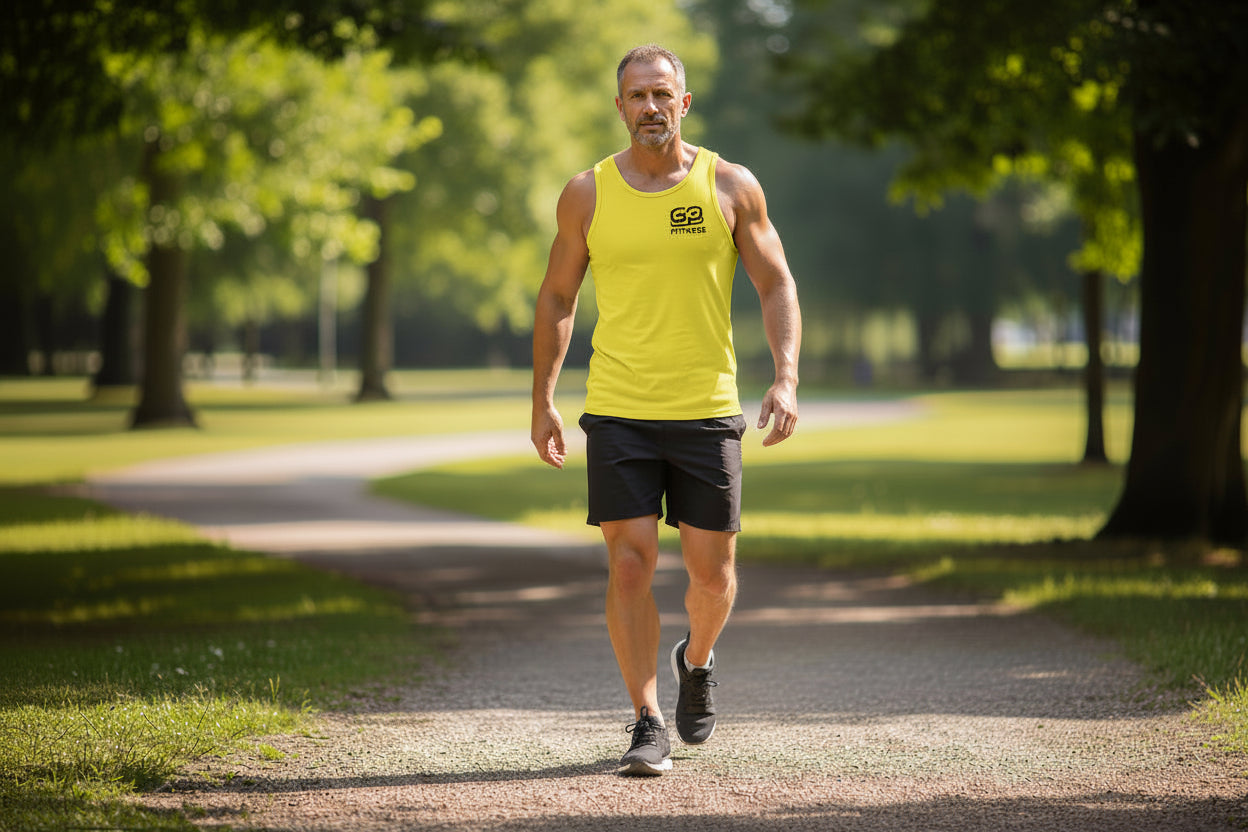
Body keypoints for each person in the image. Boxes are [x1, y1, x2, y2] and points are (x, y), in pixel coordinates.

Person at [530, 44, 802, 777]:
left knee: (712, 578)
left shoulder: (730, 186)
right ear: (619, 107)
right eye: (636, 96)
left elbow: (775, 282)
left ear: (685, 104)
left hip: (706, 409)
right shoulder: (586, 194)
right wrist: (544, 399)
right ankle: (646, 719)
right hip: (618, 408)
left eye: (662, 94)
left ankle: (698, 659)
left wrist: (785, 376)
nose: (650, 107)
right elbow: (558, 297)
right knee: (629, 565)